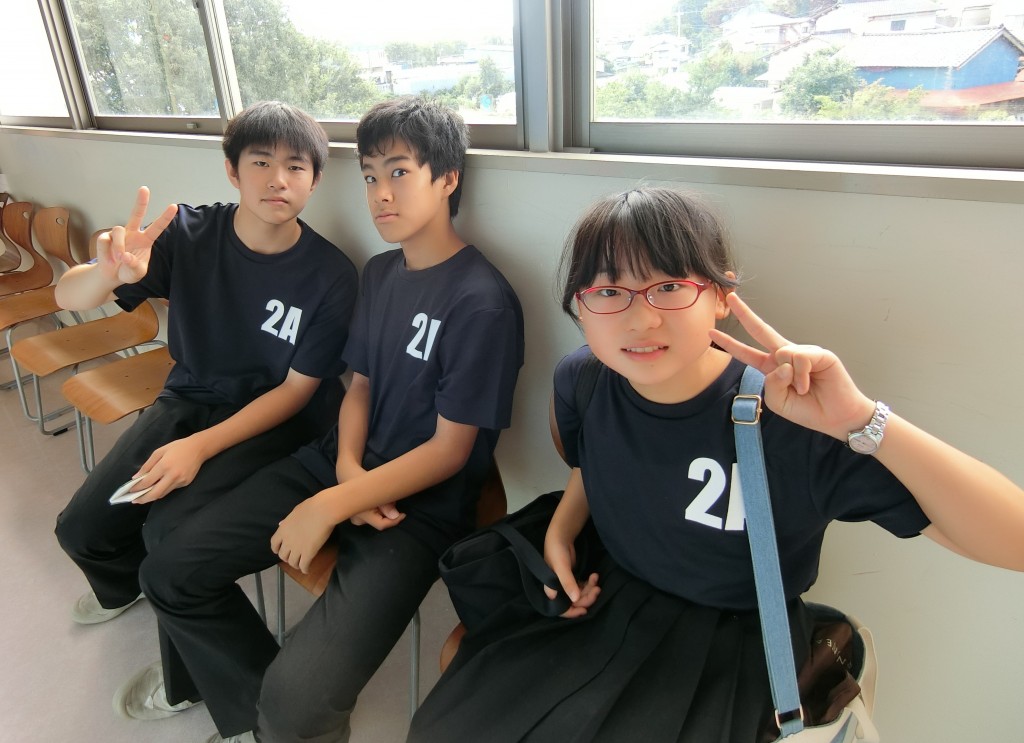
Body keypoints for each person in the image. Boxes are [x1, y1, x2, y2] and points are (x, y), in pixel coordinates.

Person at [406, 186, 1024, 743]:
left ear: (721, 297)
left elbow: (1015, 542)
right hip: (609, 593)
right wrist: (563, 529)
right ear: (580, 307)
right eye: (608, 291)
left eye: (670, 287)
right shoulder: (584, 380)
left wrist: (862, 420)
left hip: (728, 644)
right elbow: (589, 465)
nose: (641, 317)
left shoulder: (795, 422)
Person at [132, 96, 524, 743]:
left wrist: (335, 503)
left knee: (295, 704)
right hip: (335, 462)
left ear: (448, 178)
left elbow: (451, 451)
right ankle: (265, 714)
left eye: (399, 172)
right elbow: (359, 384)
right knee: (167, 572)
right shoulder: (381, 272)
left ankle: (283, 715)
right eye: (369, 175)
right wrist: (343, 471)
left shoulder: (482, 302)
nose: (380, 193)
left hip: (420, 508)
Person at [52, 101, 358, 721]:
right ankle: (131, 587)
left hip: (278, 421)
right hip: (189, 397)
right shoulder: (188, 234)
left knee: (166, 534)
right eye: (261, 162)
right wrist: (104, 274)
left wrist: (198, 449)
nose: (278, 180)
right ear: (231, 170)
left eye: (296, 167)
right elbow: (70, 295)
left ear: (315, 180)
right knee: (80, 528)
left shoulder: (330, 274)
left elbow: (296, 393)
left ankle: (207, 688)